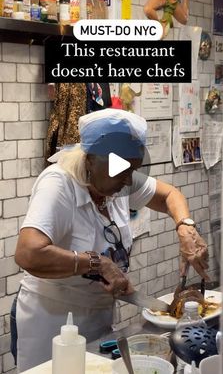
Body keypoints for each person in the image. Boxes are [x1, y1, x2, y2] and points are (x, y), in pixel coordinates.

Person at [14, 109, 209, 372]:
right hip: (52, 324)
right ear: (91, 160)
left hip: (98, 318)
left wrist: (186, 228)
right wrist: (97, 264)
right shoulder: (58, 184)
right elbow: (29, 254)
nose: (129, 180)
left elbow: (168, 196)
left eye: (134, 169)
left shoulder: (118, 176)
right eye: (122, 170)